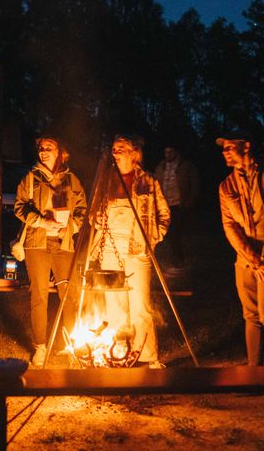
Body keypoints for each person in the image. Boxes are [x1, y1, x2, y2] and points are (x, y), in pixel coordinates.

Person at [89, 135, 170, 368]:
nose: (115, 153)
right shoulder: (105, 180)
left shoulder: (148, 181)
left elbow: (163, 213)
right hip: (110, 251)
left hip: (138, 251)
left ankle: (147, 356)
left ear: (134, 154)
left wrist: (155, 236)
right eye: (114, 149)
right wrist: (98, 219)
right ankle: (119, 355)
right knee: (115, 305)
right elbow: (94, 213)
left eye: (121, 149)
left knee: (140, 305)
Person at [12, 136, 87, 366]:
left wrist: (69, 227)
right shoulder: (31, 178)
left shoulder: (72, 180)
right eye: (41, 149)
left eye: (49, 148)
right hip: (37, 243)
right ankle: (40, 346)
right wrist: (42, 223)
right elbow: (19, 207)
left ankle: (71, 344)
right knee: (39, 295)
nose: (43, 152)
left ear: (60, 153)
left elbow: (82, 210)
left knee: (70, 295)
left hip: (63, 244)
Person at [216, 129, 264, 367]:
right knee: (251, 316)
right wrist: (253, 259)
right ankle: (253, 375)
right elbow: (229, 226)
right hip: (246, 259)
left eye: (229, 147)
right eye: (223, 149)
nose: (224, 152)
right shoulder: (226, 186)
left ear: (245, 146)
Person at [154, 144, 199, 274]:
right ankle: (171, 261)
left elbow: (194, 184)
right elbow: (155, 181)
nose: (167, 155)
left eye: (170, 152)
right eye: (166, 152)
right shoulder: (161, 166)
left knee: (175, 233)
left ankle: (178, 261)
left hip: (178, 205)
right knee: (165, 233)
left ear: (176, 152)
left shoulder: (186, 166)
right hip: (164, 205)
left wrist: (189, 202)